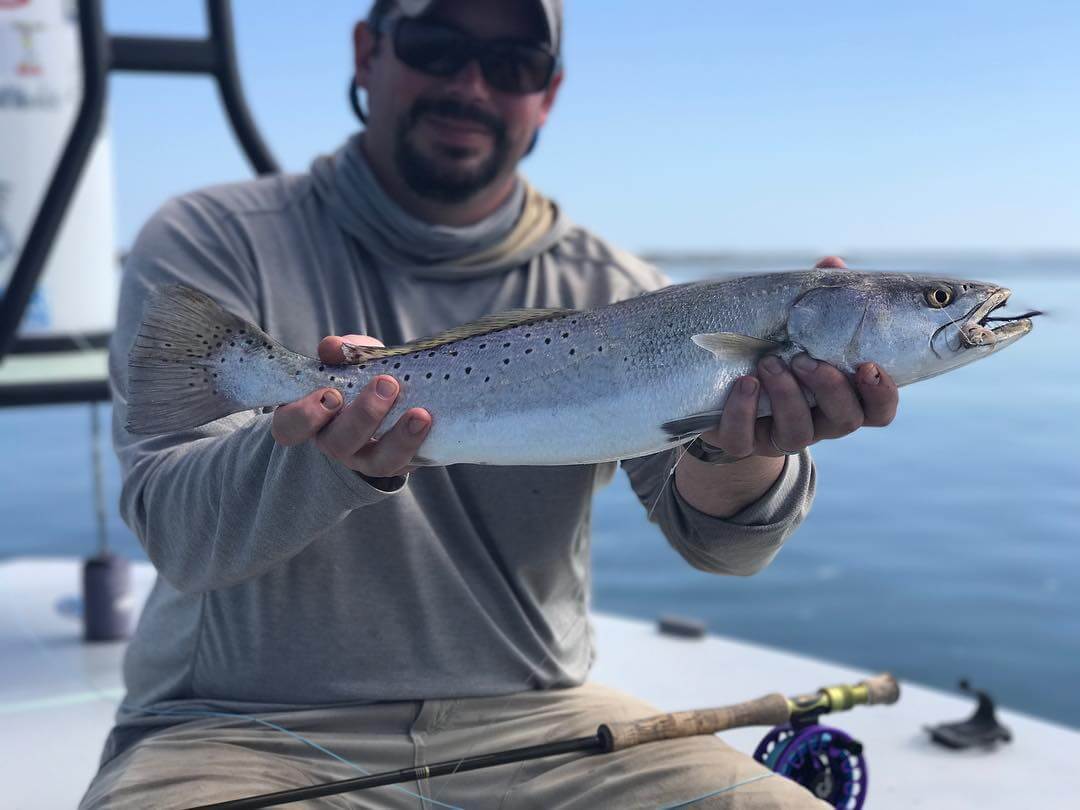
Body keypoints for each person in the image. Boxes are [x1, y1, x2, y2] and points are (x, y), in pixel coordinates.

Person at [81, 0, 899, 807]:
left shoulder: (626, 293)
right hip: (240, 727)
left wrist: (740, 444)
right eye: (438, 46)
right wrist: (323, 455)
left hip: (549, 726)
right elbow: (177, 534)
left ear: (548, 93)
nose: (472, 85)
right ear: (367, 52)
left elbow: (726, 551)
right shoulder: (214, 237)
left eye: (513, 66)